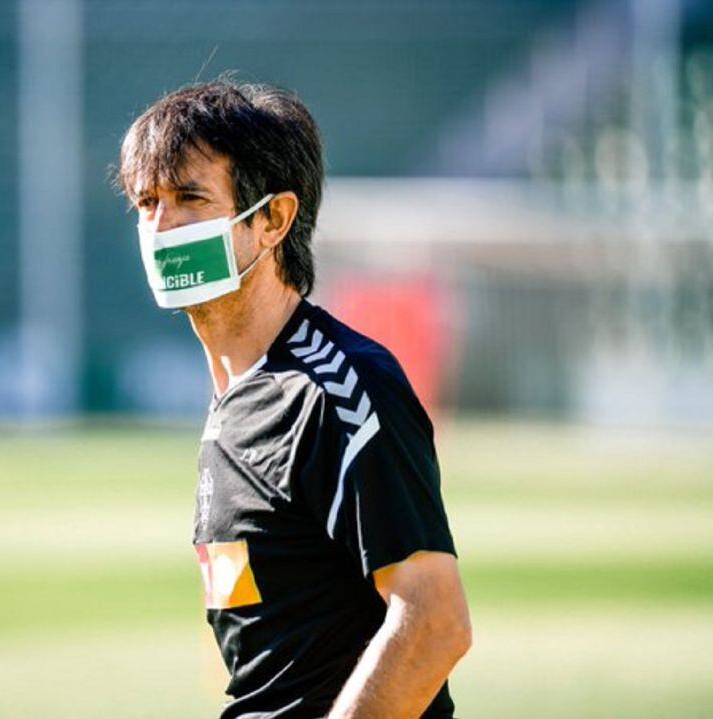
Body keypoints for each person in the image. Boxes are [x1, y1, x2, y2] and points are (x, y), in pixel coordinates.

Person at [116, 80, 471, 718]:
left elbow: (435, 622)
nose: (161, 228)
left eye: (189, 197)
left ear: (274, 219)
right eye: (147, 202)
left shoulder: (338, 387)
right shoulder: (236, 393)